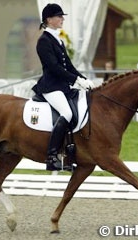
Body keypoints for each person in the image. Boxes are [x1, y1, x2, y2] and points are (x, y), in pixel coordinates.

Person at [32, 3, 94, 171]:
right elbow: (54, 68)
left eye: (62, 16)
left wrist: (84, 79)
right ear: (49, 19)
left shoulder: (57, 39)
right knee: (66, 113)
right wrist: (76, 80)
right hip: (51, 87)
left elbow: (69, 66)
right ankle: (51, 156)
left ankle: (69, 154)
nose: (62, 19)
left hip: (63, 86)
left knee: (77, 111)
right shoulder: (43, 41)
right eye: (59, 16)